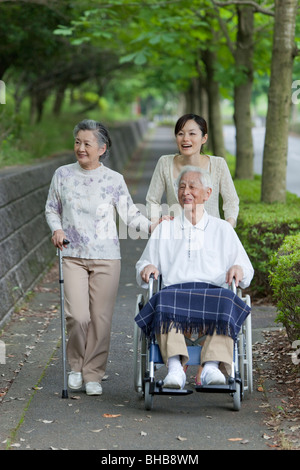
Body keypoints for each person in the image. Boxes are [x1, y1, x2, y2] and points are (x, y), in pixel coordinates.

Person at [45, 119, 160, 396]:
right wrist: (57, 229)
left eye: (87, 143)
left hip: (106, 257)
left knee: (100, 318)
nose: (80, 148)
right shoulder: (62, 174)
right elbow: (51, 208)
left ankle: (93, 373)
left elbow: (130, 214)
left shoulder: (113, 180)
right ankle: (75, 367)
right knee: (78, 316)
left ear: (101, 148)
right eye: (77, 142)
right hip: (72, 254)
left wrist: (151, 226)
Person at [136, 167, 253, 389]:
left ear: (208, 193)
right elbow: (143, 264)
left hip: (213, 293)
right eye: (182, 187)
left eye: (192, 187)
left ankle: (211, 366)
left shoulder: (223, 229)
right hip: (175, 292)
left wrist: (239, 268)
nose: (186, 192)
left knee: (229, 301)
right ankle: (174, 369)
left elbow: (246, 269)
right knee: (161, 300)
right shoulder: (165, 228)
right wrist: (148, 266)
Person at [146, 113, 239, 228]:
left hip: (210, 237)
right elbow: (152, 200)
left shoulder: (218, 164)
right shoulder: (165, 163)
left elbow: (231, 201)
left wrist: (227, 227)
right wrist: (156, 224)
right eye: (180, 134)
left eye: (192, 134)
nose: (185, 139)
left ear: (204, 138)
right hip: (176, 237)